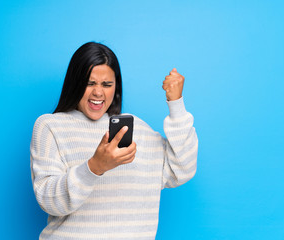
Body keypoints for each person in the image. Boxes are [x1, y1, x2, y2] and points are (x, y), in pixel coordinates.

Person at [30, 42, 198, 240]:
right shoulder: (51, 127)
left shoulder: (136, 131)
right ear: (75, 83)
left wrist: (176, 105)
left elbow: (182, 169)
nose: (98, 93)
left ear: (116, 87)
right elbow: (50, 201)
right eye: (90, 83)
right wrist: (94, 167)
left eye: (106, 85)